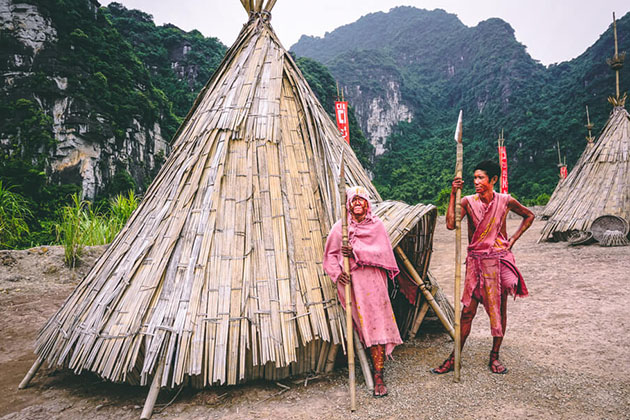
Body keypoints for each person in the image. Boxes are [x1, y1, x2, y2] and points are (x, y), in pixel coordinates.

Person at [432, 160, 534, 375]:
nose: (476, 182)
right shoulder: (468, 201)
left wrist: (512, 239)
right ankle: (454, 357)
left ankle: (495, 356)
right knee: (467, 312)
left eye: (481, 178)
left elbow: (529, 215)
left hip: (497, 261)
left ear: (493, 180)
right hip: (476, 263)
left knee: (498, 311)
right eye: (475, 178)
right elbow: (451, 224)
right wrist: (453, 194)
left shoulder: (505, 201)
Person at [323, 186, 402, 397]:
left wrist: (356, 251)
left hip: (374, 282)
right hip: (353, 284)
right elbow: (330, 255)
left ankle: (378, 375)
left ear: (367, 204)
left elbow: (383, 253)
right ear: (348, 204)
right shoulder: (340, 228)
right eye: (354, 200)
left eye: (362, 200)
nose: (358, 203)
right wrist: (336, 273)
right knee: (363, 324)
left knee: (378, 324)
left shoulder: (376, 226)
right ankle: (372, 367)